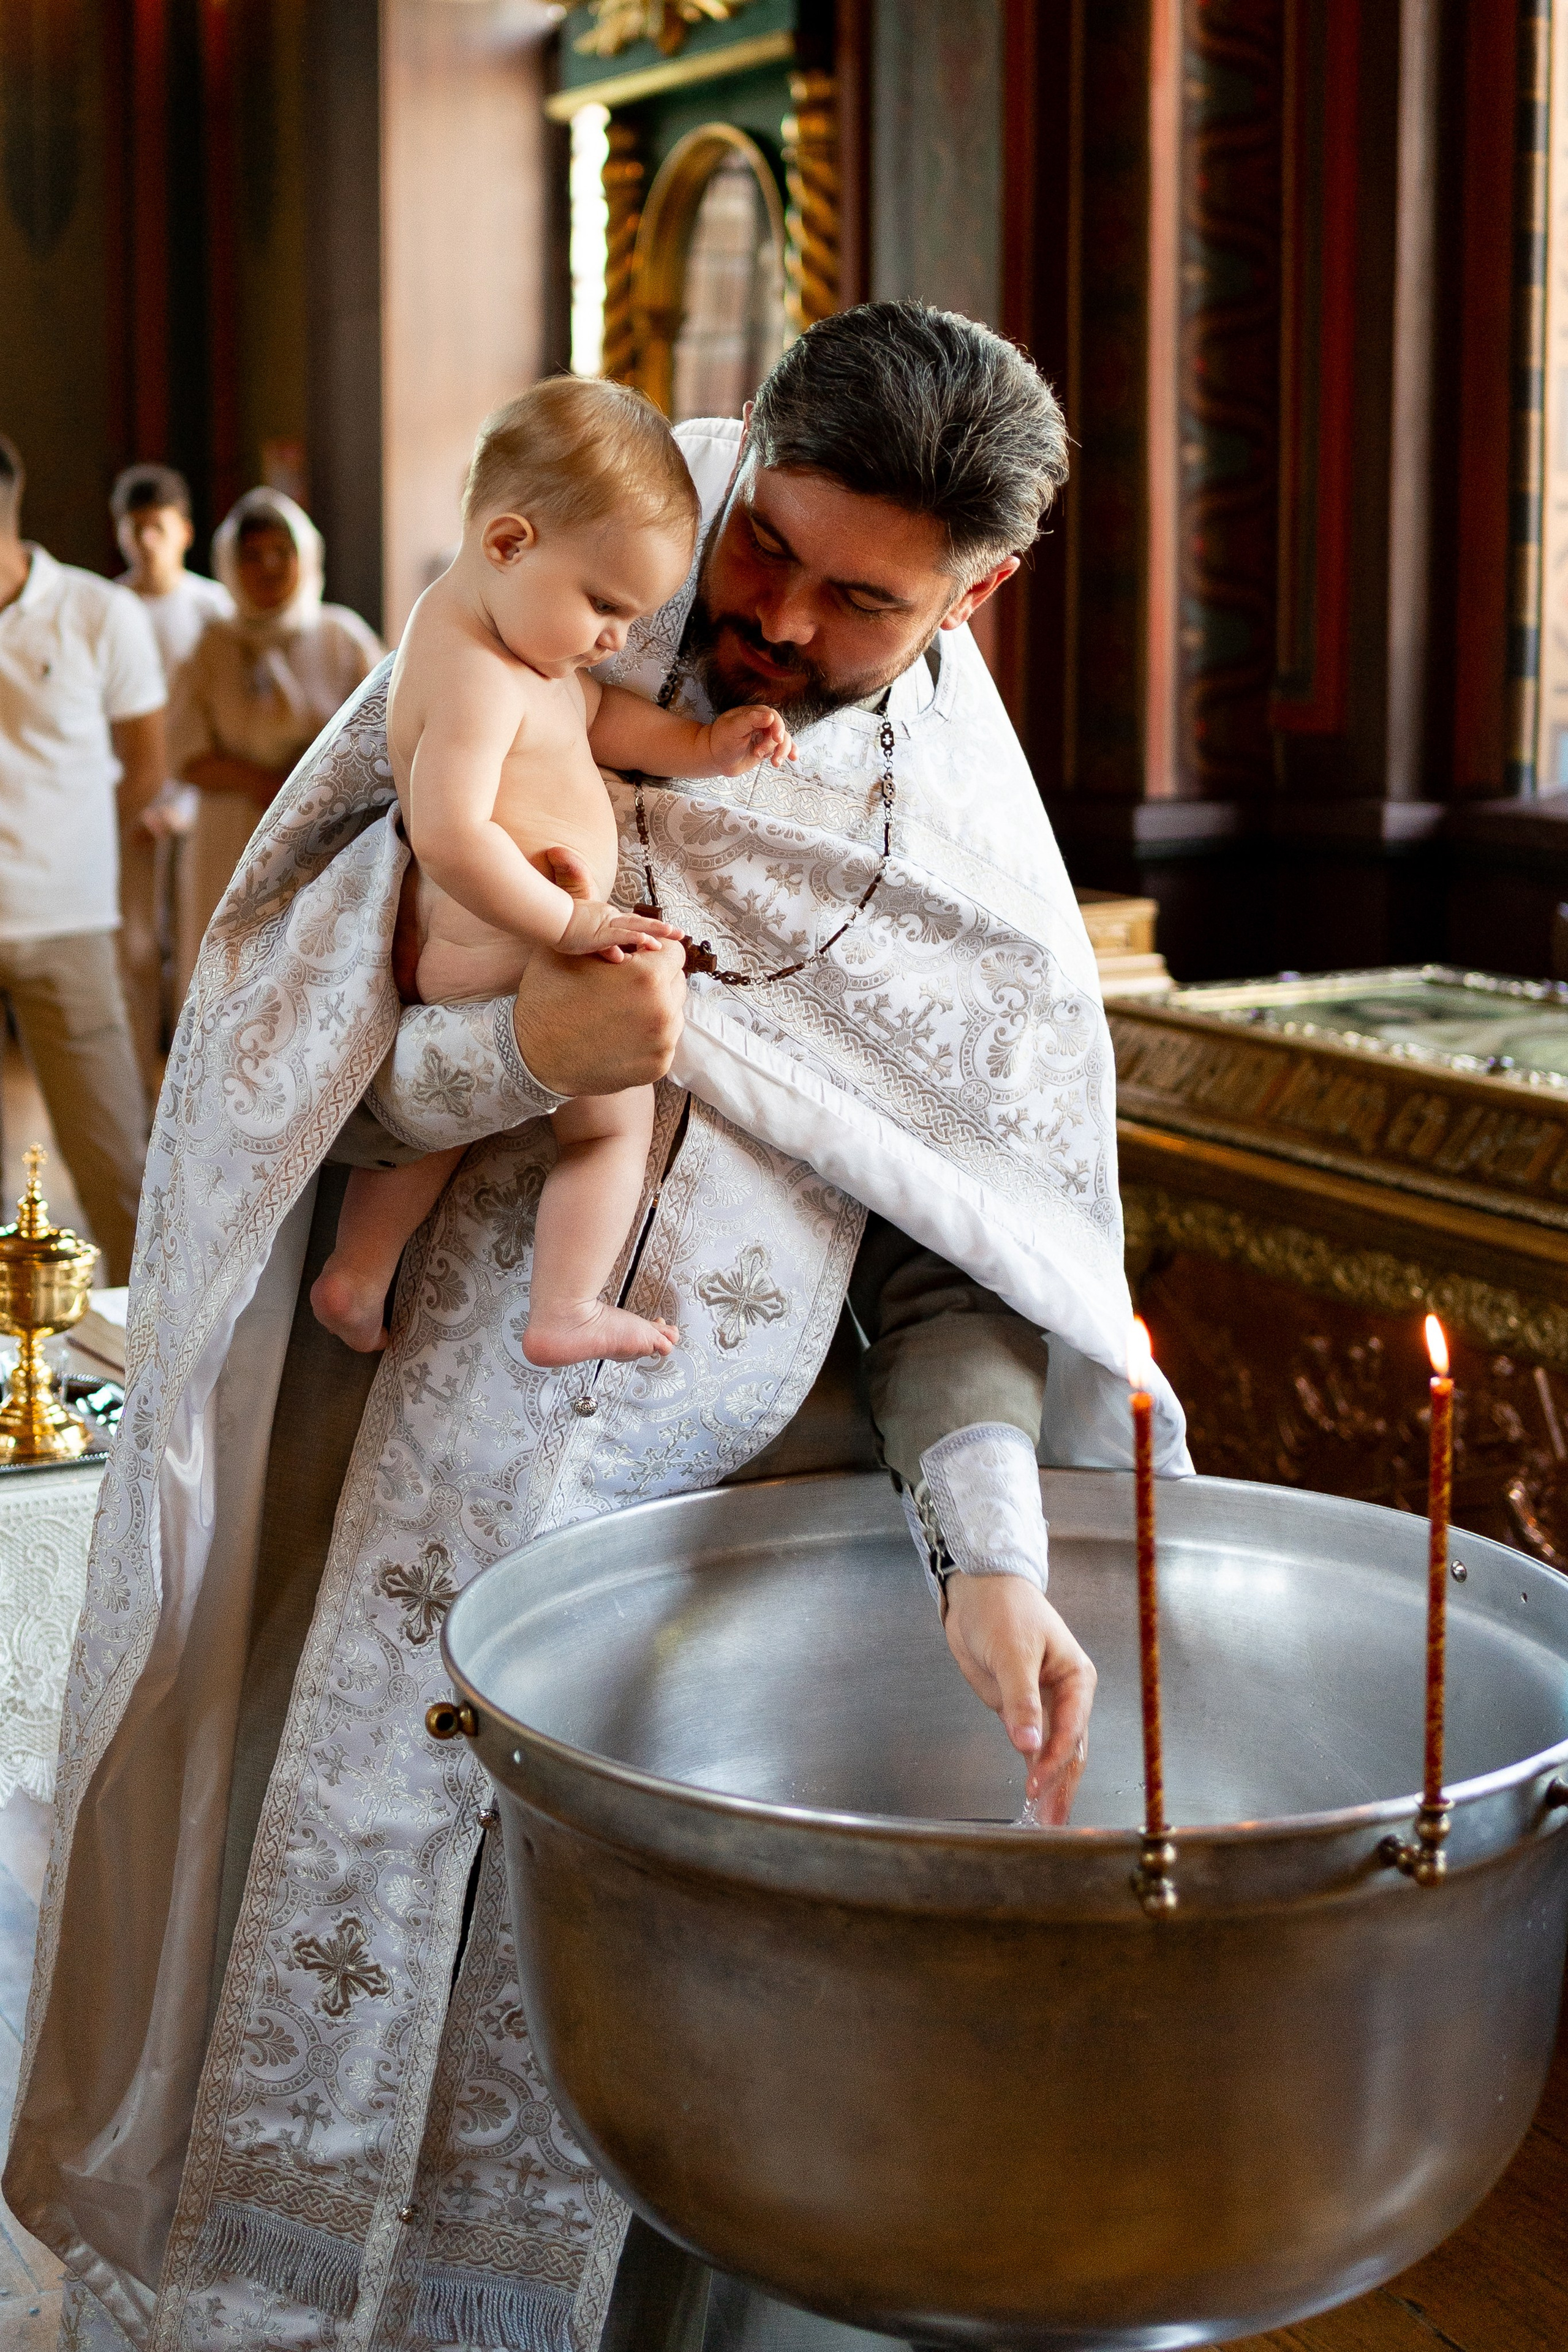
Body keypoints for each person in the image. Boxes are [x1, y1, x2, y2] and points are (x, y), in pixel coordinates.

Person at [8, 308, 1189, 2352]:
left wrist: (992, 1552)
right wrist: (520, 1055)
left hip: (712, 1580)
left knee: (635, 2129)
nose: (780, 620)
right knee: (324, 1993)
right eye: (769, 547)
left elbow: (964, 1260)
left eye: (862, 602)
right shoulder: (548, 607)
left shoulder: (967, 860)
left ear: (977, 596)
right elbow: (271, 1096)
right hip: (382, 1509)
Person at [312, 379, 794, 1363]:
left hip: (495, 947)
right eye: (605, 606)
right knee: (611, 1125)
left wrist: (705, 748)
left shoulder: (517, 650)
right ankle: (566, 1308)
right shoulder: (474, 675)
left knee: (445, 1131)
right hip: (510, 937)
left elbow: (602, 718)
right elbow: (449, 834)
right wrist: (572, 923)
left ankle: (356, 1275)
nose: (617, 640)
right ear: (507, 543)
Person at [0, 433, 161, 1283]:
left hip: (66, 918)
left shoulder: (98, 613)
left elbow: (147, 765)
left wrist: (78, 858)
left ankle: (142, 1349)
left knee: (115, 1167)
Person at [170, 484, 382, 997]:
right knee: (230, 980)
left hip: (326, 833)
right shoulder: (210, 646)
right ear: (229, 564)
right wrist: (268, 782)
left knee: (317, 979)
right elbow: (186, 756)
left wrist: (308, 784)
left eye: (281, 552)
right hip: (232, 835)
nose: (268, 567)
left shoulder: (342, 637)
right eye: (251, 556)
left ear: (306, 555)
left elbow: (383, 734)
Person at [111, 462, 233, 1090]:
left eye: (157, 527)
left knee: (200, 947)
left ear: (184, 531)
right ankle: (136, 1094)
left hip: (203, 801)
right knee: (134, 952)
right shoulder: (109, 607)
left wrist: (182, 804)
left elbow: (215, 720)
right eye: (134, 528)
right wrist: (136, 802)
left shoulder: (214, 609)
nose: (145, 541)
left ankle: (196, 1092)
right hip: (128, 805)